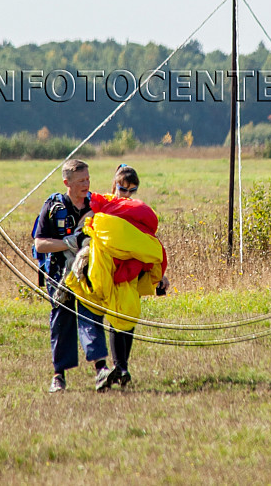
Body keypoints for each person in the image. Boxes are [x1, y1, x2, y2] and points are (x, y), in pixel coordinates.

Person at [66, 164, 169, 390]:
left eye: (132, 190)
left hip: (130, 272)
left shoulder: (136, 211)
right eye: (123, 189)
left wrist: (160, 272)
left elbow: (147, 240)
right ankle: (114, 367)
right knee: (114, 318)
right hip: (108, 270)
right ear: (115, 185)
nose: (127, 194)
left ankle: (122, 368)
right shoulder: (103, 205)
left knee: (129, 316)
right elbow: (89, 228)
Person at [33, 158, 110, 393]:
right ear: (67, 182)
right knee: (62, 321)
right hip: (59, 275)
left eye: (87, 179)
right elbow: (40, 244)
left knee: (92, 314)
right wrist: (69, 243)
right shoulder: (53, 207)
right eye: (80, 181)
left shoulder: (95, 206)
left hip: (88, 272)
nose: (86, 184)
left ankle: (102, 370)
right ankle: (59, 376)